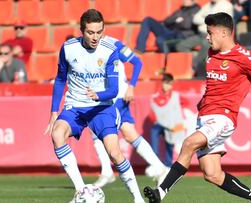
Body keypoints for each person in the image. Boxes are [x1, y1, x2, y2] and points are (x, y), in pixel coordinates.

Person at [144, 12, 251, 203]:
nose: (207, 37)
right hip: (204, 116)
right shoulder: (211, 53)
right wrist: (203, 102)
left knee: (188, 143)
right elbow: (215, 84)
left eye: (210, 33)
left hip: (224, 117)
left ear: (224, 33)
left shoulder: (245, 57)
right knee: (212, 174)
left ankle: (160, 192)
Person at [43, 9, 144, 203]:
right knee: (57, 134)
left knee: (114, 153)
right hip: (75, 106)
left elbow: (114, 90)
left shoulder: (109, 50)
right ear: (82, 31)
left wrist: (99, 95)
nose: (95, 37)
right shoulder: (68, 48)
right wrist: (54, 111)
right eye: (91, 32)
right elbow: (60, 79)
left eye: (99, 32)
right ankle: (82, 191)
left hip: (102, 107)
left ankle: (138, 198)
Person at [91, 42, 168, 188]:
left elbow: (137, 62)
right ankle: (161, 168)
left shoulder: (114, 44)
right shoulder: (88, 48)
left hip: (117, 97)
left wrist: (131, 87)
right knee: (130, 134)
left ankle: (107, 172)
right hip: (107, 97)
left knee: (96, 131)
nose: (94, 35)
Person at [175, 0, 233, 78]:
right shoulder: (208, 5)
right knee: (181, 45)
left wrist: (205, 18)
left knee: (205, 44)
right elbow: (195, 19)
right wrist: (208, 20)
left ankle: (193, 67)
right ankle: (194, 59)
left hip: (215, 35)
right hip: (201, 34)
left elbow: (216, 22)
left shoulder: (226, 5)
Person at [149, 73, 186, 168]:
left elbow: (186, 103)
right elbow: (153, 113)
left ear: (172, 84)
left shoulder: (176, 96)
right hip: (159, 124)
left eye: (169, 84)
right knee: (154, 135)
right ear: (162, 83)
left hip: (171, 125)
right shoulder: (156, 96)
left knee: (170, 145)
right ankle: (155, 164)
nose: (167, 86)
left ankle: (168, 166)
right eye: (165, 83)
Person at [134, 0, 200, 53]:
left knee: (160, 40)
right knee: (147, 20)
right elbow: (166, 21)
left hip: (181, 35)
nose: (184, 1)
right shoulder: (181, 10)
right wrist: (177, 19)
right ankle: (139, 48)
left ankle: (166, 60)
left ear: (193, 1)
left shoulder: (196, 10)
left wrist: (178, 20)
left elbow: (186, 25)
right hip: (169, 31)